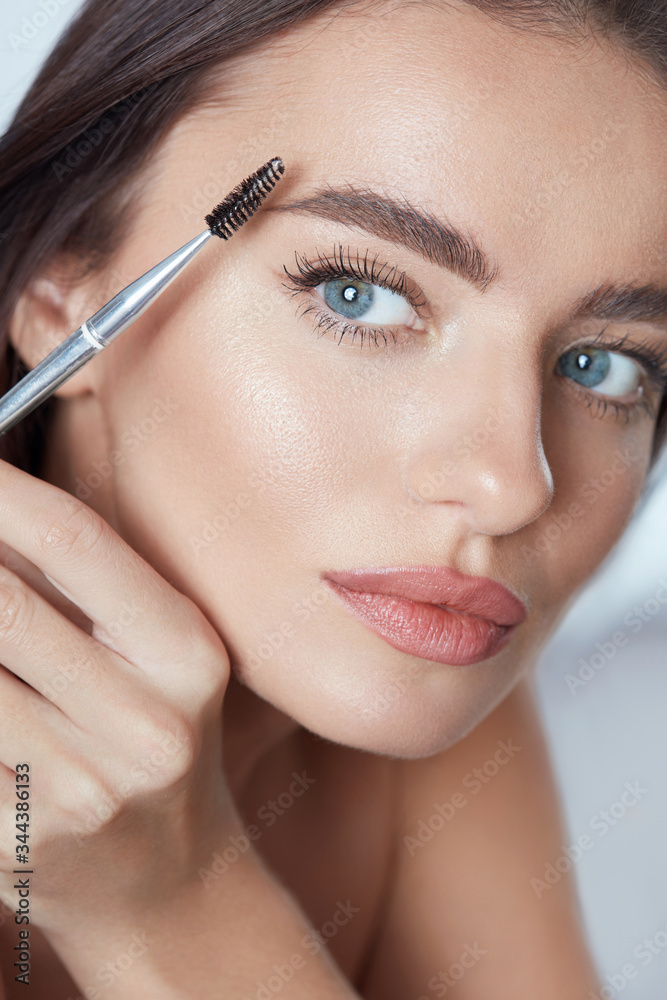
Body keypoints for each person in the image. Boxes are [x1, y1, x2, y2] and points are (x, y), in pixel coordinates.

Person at [0, 0, 665, 996]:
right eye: (359, 293)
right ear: (63, 299)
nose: (510, 484)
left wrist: (176, 908)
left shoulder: (422, 679)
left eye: (604, 365)